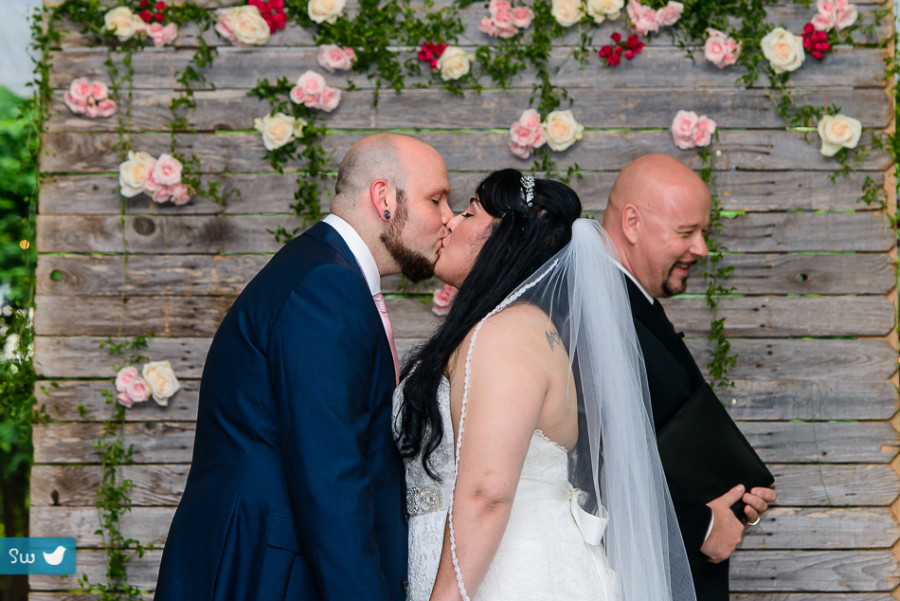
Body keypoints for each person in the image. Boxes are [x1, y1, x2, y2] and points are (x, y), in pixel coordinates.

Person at [153, 133, 453, 601]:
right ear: (384, 200)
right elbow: (331, 477)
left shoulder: (322, 269)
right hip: (268, 571)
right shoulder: (326, 287)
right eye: (436, 199)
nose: (447, 218)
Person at [394, 168, 695, 601]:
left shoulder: (505, 336)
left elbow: (488, 493)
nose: (451, 222)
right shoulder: (523, 330)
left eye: (469, 211)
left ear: (506, 240)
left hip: (508, 577)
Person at [602, 153, 777, 601]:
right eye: (686, 233)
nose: (701, 248)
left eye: (703, 233)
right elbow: (595, 450)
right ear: (633, 222)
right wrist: (701, 524)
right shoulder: (597, 311)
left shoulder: (635, 301)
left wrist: (735, 497)